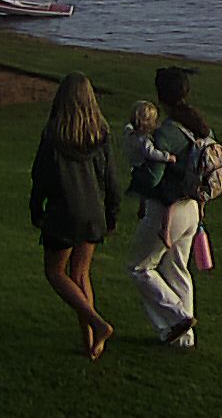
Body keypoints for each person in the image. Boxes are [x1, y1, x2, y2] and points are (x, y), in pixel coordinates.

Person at [30, 73, 122, 359]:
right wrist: (111, 214)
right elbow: (111, 179)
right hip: (93, 213)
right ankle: (91, 344)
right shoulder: (100, 133)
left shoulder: (53, 135)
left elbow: (40, 177)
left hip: (64, 213)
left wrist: (37, 210)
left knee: (55, 273)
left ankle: (97, 323)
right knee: (80, 274)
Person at [128, 67, 209, 348]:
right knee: (177, 269)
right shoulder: (199, 126)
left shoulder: (167, 132)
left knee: (139, 267)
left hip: (167, 211)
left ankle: (177, 318)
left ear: (160, 96)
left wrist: (136, 174)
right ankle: (183, 339)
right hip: (192, 208)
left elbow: (153, 178)